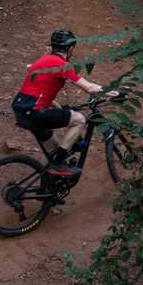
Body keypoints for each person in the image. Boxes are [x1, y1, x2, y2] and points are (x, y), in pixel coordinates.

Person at [11, 29, 115, 178]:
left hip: (21, 110)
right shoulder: (61, 64)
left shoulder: (42, 60)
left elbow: (40, 93)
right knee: (79, 119)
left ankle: (51, 185)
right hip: (34, 113)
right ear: (70, 48)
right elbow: (90, 88)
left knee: (52, 148)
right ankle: (58, 164)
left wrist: (59, 109)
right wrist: (115, 93)